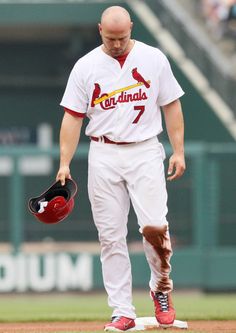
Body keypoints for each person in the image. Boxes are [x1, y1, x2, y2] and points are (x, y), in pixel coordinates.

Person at [56, 5, 185, 332]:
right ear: (100, 30)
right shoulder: (86, 66)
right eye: (111, 37)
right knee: (111, 235)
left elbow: (171, 103)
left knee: (155, 226)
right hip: (104, 151)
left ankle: (161, 288)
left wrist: (178, 150)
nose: (116, 43)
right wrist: (64, 163)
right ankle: (121, 310)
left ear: (132, 28)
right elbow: (72, 116)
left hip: (144, 149)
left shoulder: (153, 58)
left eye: (122, 37)